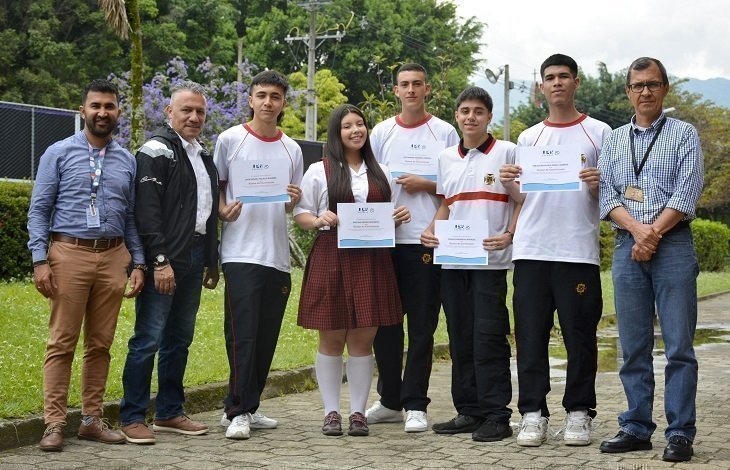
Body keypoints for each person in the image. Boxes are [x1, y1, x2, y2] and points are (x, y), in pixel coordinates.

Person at [27, 79, 145, 452]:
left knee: (101, 343)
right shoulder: (58, 153)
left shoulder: (127, 160)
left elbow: (130, 218)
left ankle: (92, 420)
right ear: (83, 111)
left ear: (118, 113)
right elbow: (39, 211)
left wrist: (138, 261)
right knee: (62, 342)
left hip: (113, 257)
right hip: (68, 254)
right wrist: (40, 260)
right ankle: (54, 423)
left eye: (109, 106)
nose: (102, 113)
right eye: (95, 106)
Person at [499, 53, 609, 447]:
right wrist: (510, 182)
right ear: (541, 86)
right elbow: (523, 199)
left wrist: (598, 184)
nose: (557, 83)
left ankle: (579, 412)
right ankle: (532, 413)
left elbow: (611, 196)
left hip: (576, 251)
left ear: (576, 82)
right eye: (550, 77)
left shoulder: (600, 133)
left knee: (580, 335)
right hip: (531, 250)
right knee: (529, 335)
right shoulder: (528, 138)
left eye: (564, 76)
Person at [598, 57, 704, 462]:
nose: (645, 91)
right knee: (633, 345)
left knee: (679, 346)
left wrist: (653, 233)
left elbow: (686, 192)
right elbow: (606, 195)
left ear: (665, 89)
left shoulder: (683, 134)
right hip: (628, 247)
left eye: (653, 84)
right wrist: (639, 233)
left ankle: (679, 432)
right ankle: (636, 427)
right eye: (638, 85)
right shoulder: (613, 139)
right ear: (627, 91)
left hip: (673, 246)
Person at [294, 104, 411, 437]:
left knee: (363, 339)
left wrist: (398, 216)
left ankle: (358, 413)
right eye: (348, 126)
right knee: (331, 337)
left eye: (360, 124)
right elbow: (302, 213)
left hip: (373, 259)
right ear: (337, 132)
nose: (356, 130)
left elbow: (392, 212)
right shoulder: (319, 170)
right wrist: (318, 219)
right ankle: (331, 412)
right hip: (331, 255)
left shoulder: (381, 171)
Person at [119, 80, 220, 444]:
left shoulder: (202, 154)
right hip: (166, 259)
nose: (194, 117)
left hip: (194, 257)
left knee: (179, 339)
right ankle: (131, 416)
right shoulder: (156, 151)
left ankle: (169, 412)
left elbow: (205, 213)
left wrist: (211, 261)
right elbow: (147, 214)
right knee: (148, 338)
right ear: (168, 112)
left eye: (200, 112)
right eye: (186, 110)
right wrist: (158, 262)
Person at [421, 86, 519, 442]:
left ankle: (497, 414)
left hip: (490, 262)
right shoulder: (447, 157)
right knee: (460, 335)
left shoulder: (507, 151)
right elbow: (448, 204)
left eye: (478, 111)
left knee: (489, 336)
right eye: (464, 111)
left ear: (489, 117)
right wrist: (431, 231)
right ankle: (469, 411)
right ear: (457, 116)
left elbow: (522, 200)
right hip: (453, 259)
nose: (471, 117)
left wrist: (508, 234)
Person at [366, 63, 459, 433]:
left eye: (417, 84)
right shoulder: (381, 132)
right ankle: (389, 400)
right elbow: (367, 182)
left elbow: (459, 180)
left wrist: (428, 182)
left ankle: (415, 403)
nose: (410, 90)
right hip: (387, 240)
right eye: (404, 85)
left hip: (427, 240)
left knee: (422, 326)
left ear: (427, 88)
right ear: (396, 91)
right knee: (386, 324)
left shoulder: (445, 131)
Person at [214, 70, 304, 440]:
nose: (268, 102)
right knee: (242, 335)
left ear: (284, 104)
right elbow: (216, 187)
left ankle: (248, 405)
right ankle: (236, 411)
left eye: (275, 97)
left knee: (266, 336)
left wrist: (293, 201)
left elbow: (289, 203)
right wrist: (222, 210)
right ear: (250, 99)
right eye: (261, 95)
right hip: (240, 252)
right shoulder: (229, 140)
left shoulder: (292, 149)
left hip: (276, 256)